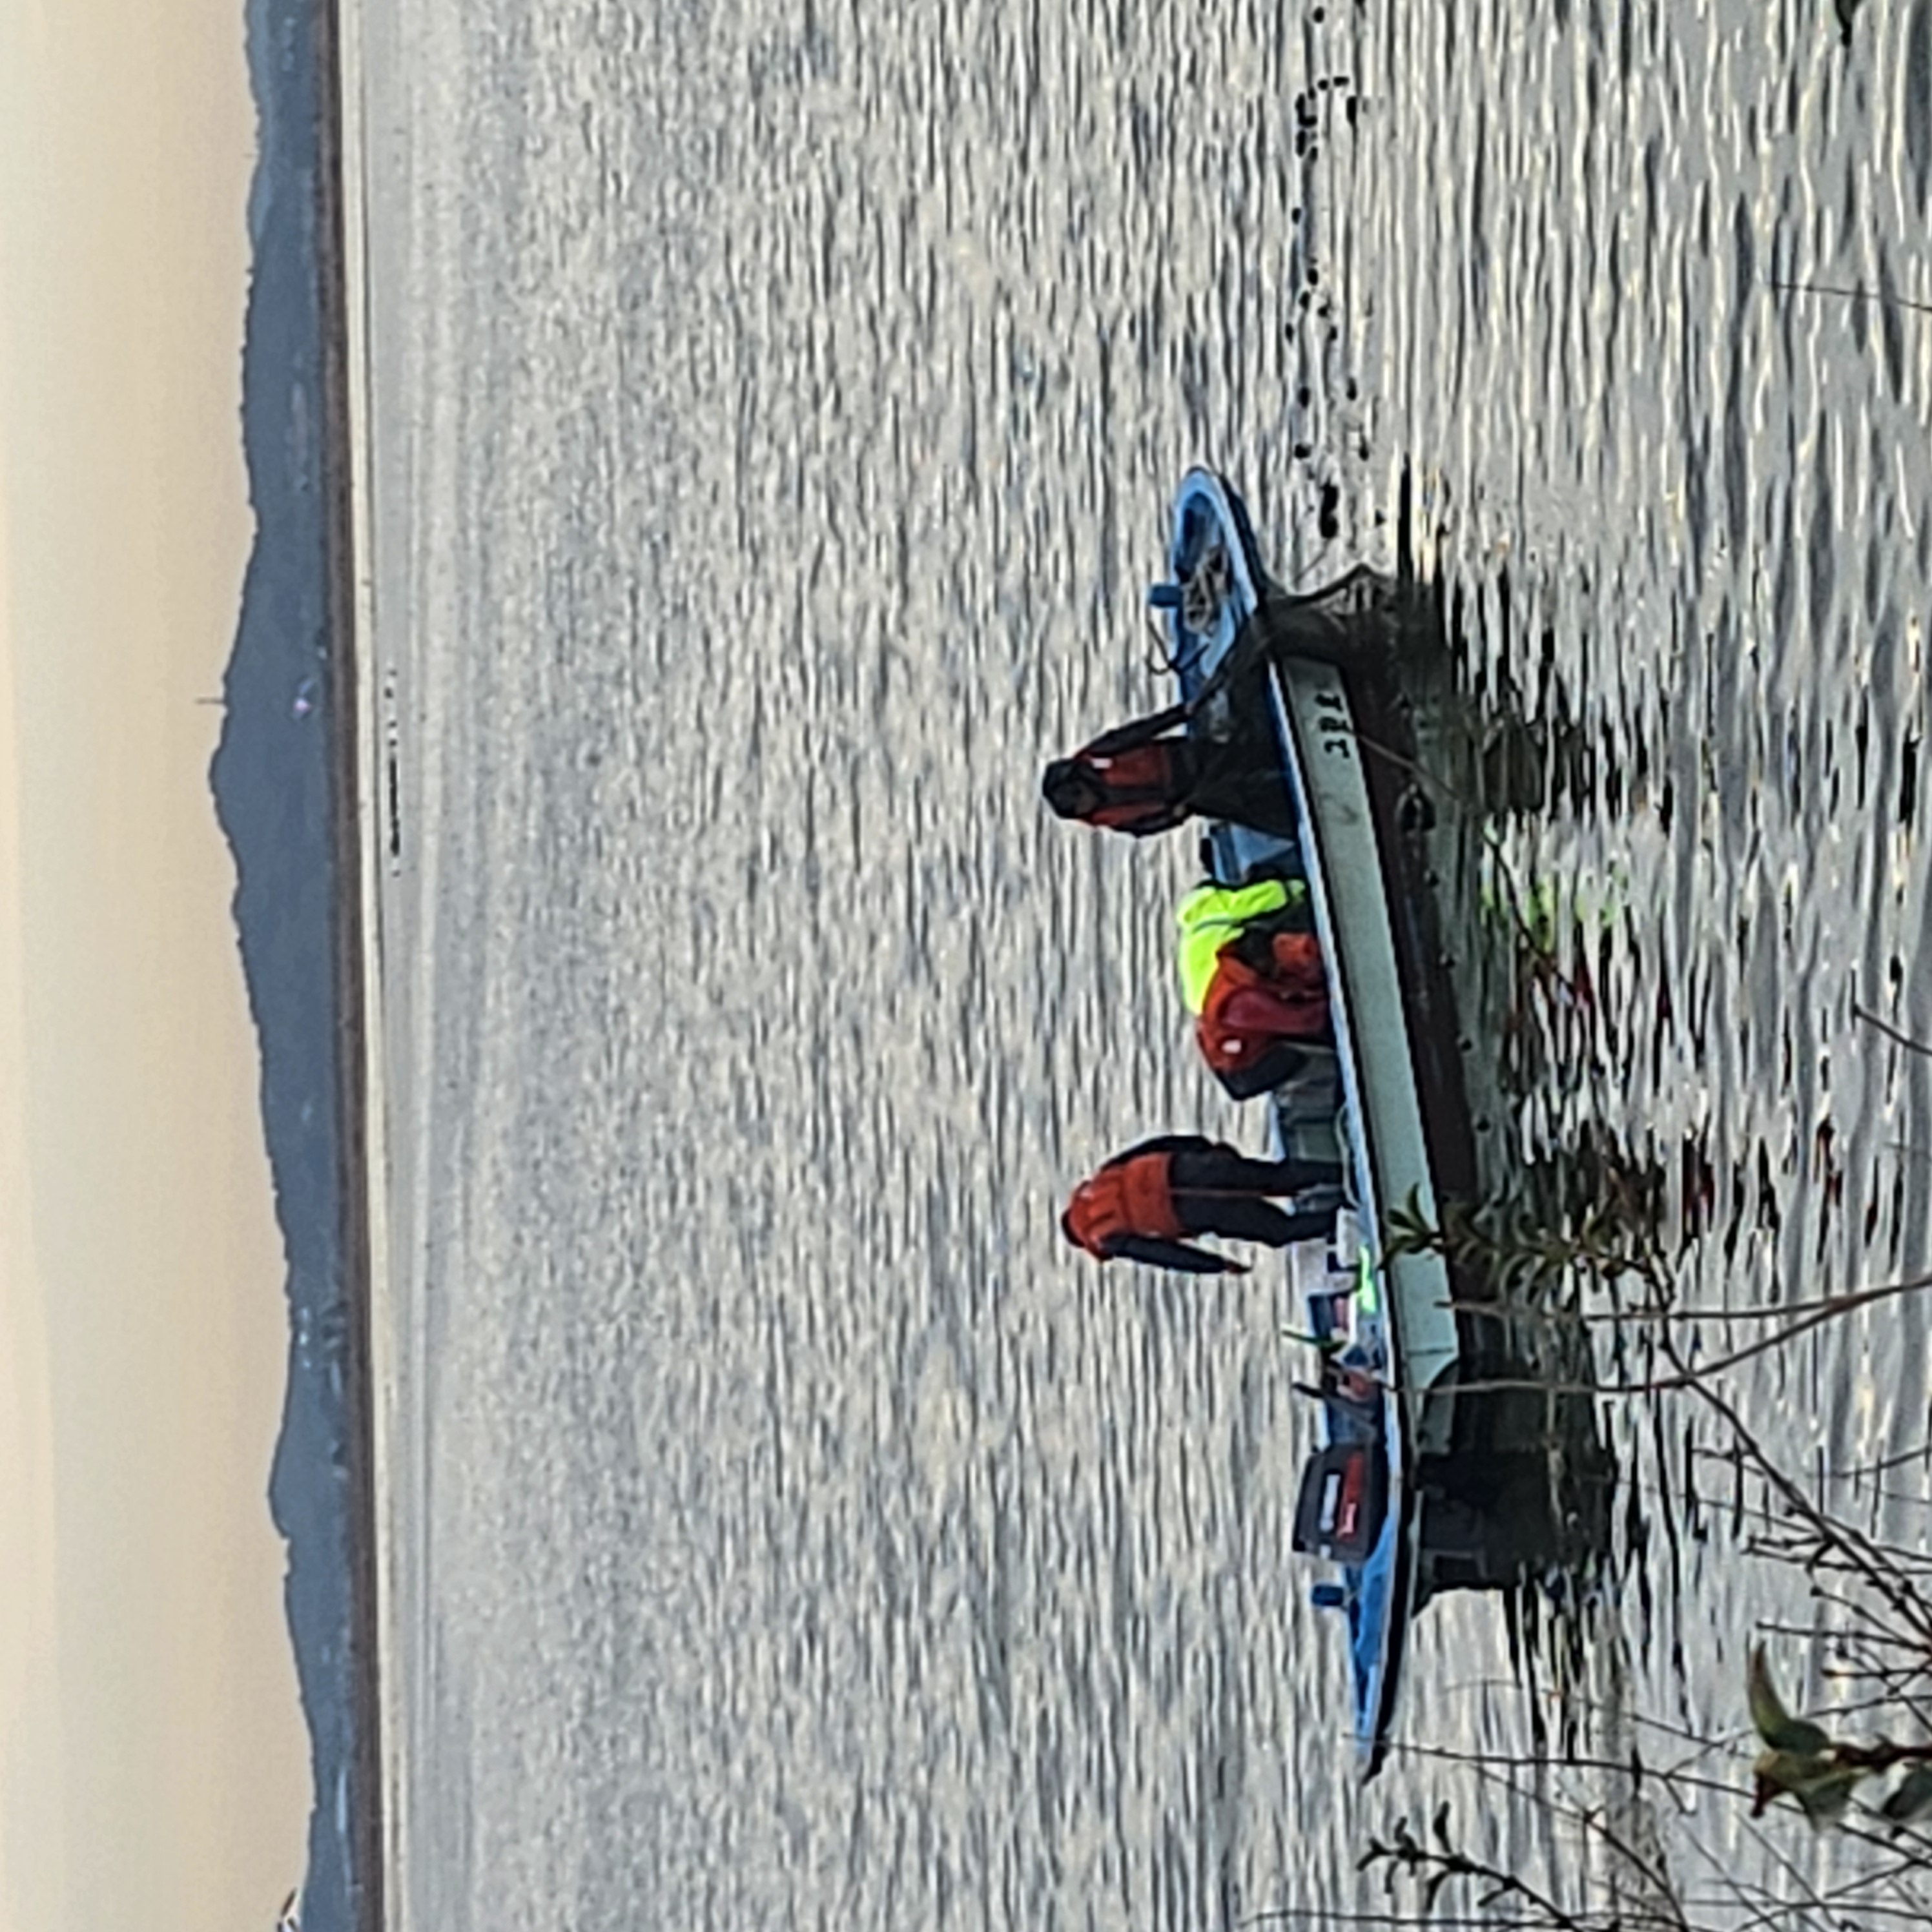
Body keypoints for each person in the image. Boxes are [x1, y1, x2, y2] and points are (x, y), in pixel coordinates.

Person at [1060, 1134, 1342, 1274]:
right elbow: (1156, 1145)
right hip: (1186, 1168)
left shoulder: (1105, 1238)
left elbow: (1164, 1254)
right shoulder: (1104, 1176)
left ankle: (1342, 1217)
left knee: (1279, 1231)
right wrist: (1204, 1147)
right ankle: (1343, 1171)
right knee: (1276, 1177)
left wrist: (1216, 1265)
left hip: (1192, 1210)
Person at [1042, 703, 1299, 839]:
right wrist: (1175, 816)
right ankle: (1291, 809)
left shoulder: (1099, 755)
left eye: (1077, 795)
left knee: (1250, 755)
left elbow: (1139, 732)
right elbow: (1145, 827)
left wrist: (1179, 714)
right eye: (1078, 808)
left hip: (1185, 760)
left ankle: (1289, 753)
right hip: (1189, 797)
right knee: (1240, 801)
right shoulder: (1111, 820)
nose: (1084, 803)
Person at [1174, 878, 1331, 1098]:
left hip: (1239, 1040)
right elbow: (1271, 896)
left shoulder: (1190, 961)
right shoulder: (1204, 910)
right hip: (1240, 984)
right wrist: (1296, 887)